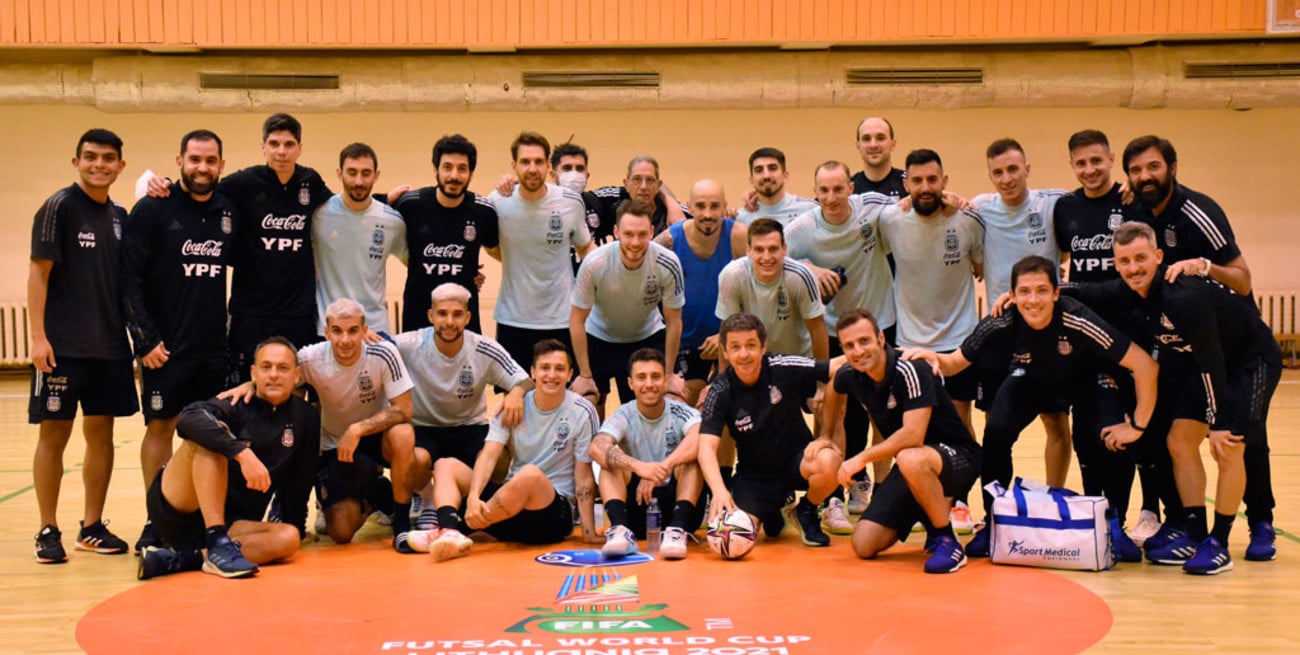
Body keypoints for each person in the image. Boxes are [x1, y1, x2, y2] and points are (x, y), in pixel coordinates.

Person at [903, 256, 1158, 560]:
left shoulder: (1079, 319)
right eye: (1024, 292)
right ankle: (994, 521)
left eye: (1041, 291)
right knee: (996, 432)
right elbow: (956, 362)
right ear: (1012, 295)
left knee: (1108, 437)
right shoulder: (1003, 319)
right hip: (1032, 378)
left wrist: (1138, 426)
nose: (1033, 300)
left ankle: (1113, 524)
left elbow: (1145, 365)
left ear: (1056, 293)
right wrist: (932, 358)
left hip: (1086, 380)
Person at [1087, 222, 1281, 572]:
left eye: (1141, 258)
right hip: (1208, 366)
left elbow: (1212, 361)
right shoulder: (1128, 291)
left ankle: (1219, 543)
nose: (1134, 268)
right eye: (1125, 261)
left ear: (1159, 256)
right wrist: (1035, 290)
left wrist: (1218, 423)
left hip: (1250, 362)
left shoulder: (1182, 296)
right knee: (1179, 441)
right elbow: (1086, 290)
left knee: (1229, 444)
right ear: (1116, 264)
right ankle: (1195, 532)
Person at [1121, 135, 1273, 557]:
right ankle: (1188, 525)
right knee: (1176, 435)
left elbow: (1242, 280)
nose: (1145, 176)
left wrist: (1206, 267)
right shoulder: (1134, 211)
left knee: (1241, 437)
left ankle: (1260, 521)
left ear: (1172, 166)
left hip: (1235, 346)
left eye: (1153, 167)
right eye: (1135, 171)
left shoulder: (1197, 211)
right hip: (1182, 345)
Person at [1053, 129, 1178, 548]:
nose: (1089, 169)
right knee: (1091, 426)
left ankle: (1150, 511)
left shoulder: (1133, 203)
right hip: (1086, 332)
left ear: (1110, 159)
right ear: (1072, 166)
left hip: (1133, 328)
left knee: (1142, 421)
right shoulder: (1065, 208)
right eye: (1081, 163)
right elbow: (1061, 261)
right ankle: (1101, 512)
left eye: (1096, 160)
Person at [141, 114, 333, 372]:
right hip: (250, 313)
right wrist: (160, 182)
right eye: (274, 144)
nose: (281, 151)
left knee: (295, 388)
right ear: (263, 147)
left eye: (289, 145)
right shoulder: (244, 183)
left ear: (300, 148)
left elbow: (341, 209)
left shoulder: (311, 181)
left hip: (298, 312)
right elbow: (199, 186)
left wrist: (385, 199)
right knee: (246, 391)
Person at [122, 129, 237, 553]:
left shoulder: (228, 209)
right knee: (161, 428)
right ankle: (157, 520)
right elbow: (128, 280)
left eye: (210, 161)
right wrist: (144, 341)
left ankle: (204, 520)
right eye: (195, 159)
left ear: (221, 166)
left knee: (207, 434)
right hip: (164, 350)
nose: (202, 168)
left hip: (212, 349)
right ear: (179, 161)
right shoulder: (154, 208)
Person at [229, 299, 419, 551]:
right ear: (327, 331)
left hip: (374, 437)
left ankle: (402, 526)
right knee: (340, 532)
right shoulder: (309, 358)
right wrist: (250, 385)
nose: (345, 340)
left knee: (404, 434)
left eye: (353, 330)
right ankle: (378, 494)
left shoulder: (383, 352)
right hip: (332, 443)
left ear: (364, 330)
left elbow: (405, 409)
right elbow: (279, 376)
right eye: (337, 331)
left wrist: (358, 429)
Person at [28, 129, 139, 563]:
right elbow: (38, 273)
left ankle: (91, 526)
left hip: (109, 347)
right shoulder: (58, 207)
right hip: (63, 348)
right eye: (90, 157)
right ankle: (46, 528)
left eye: (108, 158)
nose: (99, 164)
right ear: (76, 162)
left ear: (120, 166)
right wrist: (38, 336)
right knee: (54, 436)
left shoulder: (120, 215)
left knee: (102, 434)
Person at [136, 337, 319, 580]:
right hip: (179, 509)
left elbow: (301, 480)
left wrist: (295, 521)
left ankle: (180, 560)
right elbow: (188, 419)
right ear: (253, 373)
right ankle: (216, 540)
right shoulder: (236, 402)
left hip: (234, 523)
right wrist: (242, 454)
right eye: (266, 367)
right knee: (210, 437)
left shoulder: (305, 418)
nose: (274, 374)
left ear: (297, 376)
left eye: (282, 368)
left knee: (289, 537)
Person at [823, 310, 983, 573]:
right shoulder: (852, 374)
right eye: (849, 346)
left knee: (910, 456)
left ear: (880, 338)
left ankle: (945, 538)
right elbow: (833, 387)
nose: (858, 351)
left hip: (958, 457)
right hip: (914, 467)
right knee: (864, 544)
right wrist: (826, 435)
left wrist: (860, 458)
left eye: (864, 341)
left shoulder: (910, 367)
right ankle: (926, 508)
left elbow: (913, 435)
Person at [784, 160, 893, 530]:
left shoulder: (872, 209)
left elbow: (909, 206)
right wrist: (808, 269)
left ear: (851, 187)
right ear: (815, 192)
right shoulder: (801, 228)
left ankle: (881, 492)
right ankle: (830, 497)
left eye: (838, 188)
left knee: (884, 415)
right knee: (832, 416)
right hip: (829, 333)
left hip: (877, 328)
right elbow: (771, 253)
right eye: (824, 190)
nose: (831, 197)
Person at [425, 339, 599, 562]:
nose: (552, 375)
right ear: (533, 373)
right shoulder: (513, 406)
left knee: (530, 474)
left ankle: (463, 528)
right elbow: (488, 455)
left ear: (570, 374)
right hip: (507, 509)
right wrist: (474, 497)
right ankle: (448, 532)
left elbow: (584, 475)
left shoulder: (583, 411)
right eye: (545, 368)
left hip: (550, 516)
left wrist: (588, 531)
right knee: (445, 465)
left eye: (559, 369)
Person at [392, 283, 530, 533]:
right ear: (431, 316)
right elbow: (379, 346)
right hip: (425, 427)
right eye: (442, 314)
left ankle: (478, 496)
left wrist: (517, 392)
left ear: (467, 317)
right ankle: (426, 500)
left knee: (498, 456)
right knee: (416, 458)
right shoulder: (410, 344)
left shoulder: (483, 348)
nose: (449, 321)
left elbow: (524, 379)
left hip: (469, 426)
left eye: (457, 314)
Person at [974, 138, 1072, 489]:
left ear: (1027, 169)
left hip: (1047, 327)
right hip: (1001, 329)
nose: (1006, 178)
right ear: (990, 175)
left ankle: (1055, 497)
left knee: (1056, 421)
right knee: (995, 426)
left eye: (1013, 169)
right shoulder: (981, 207)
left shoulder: (1054, 203)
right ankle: (996, 507)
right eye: (997, 172)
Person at [698, 313, 842, 547]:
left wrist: (891, 354)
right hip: (756, 477)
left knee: (829, 461)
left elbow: (836, 365)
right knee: (739, 536)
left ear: (763, 346)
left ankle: (805, 510)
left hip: (799, 461)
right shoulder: (720, 390)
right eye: (736, 347)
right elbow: (705, 448)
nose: (744, 354)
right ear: (725, 352)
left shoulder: (782, 366)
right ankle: (772, 511)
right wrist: (719, 491)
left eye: (751, 345)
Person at [487, 131, 594, 374]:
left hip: (562, 319)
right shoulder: (496, 202)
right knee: (515, 399)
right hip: (513, 319)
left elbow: (586, 248)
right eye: (525, 162)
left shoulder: (570, 202)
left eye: (538, 162)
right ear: (514, 166)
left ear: (548, 165)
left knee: (562, 395)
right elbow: (492, 248)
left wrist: (601, 286)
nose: (532, 168)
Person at [570, 200, 686, 417]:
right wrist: (585, 375)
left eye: (642, 234)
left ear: (652, 232)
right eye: (628, 234)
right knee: (585, 405)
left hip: (645, 337)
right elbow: (576, 320)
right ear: (616, 232)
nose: (635, 242)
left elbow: (674, 321)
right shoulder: (595, 262)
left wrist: (669, 374)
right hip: (599, 338)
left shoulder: (667, 262)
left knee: (664, 402)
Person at [590, 348, 704, 560]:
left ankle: (677, 530)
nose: (649, 384)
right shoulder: (625, 413)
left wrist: (662, 468)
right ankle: (620, 530)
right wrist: (639, 467)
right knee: (609, 459)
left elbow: (700, 436)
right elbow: (596, 447)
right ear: (631, 383)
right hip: (638, 505)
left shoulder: (680, 411)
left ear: (666, 380)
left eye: (655, 377)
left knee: (692, 460)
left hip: (677, 505)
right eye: (641, 377)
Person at [653, 179, 749, 405]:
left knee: (722, 404)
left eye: (715, 206)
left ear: (724, 207)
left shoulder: (738, 236)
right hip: (686, 343)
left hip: (729, 339)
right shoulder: (669, 241)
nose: (708, 213)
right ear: (690, 207)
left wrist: (727, 334)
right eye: (701, 206)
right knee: (682, 401)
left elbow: (755, 295)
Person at [394, 134, 499, 335]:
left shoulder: (483, 211)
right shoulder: (410, 205)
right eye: (447, 167)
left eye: (462, 169)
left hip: (464, 321)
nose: (454, 176)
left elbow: (499, 252)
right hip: (417, 318)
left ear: (471, 173)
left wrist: (469, 271)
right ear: (436, 170)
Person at [312, 143, 406, 335]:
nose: (359, 181)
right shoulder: (318, 215)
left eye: (365, 173)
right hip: (329, 328)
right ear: (339, 173)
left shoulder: (392, 221)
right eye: (352, 172)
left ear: (376, 175)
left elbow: (418, 264)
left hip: (375, 328)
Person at [716, 219, 828, 360]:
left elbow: (817, 328)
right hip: (753, 361)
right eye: (759, 250)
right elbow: (727, 333)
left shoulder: (800, 276)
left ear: (784, 250)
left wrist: (822, 377)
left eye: (773, 249)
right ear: (748, 251)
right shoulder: (732, 275)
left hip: (796, 361)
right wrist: (724, 379)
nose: (766, 257)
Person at [589, 155, 689, 236]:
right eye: (637, 179)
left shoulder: (679, 215)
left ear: (658, 185)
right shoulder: (613, 200)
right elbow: (582, 197)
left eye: (650, 180)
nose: (643, 187)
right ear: (626, 183)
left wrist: (671, 203)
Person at [734, 147, 818, 226]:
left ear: (785, 176)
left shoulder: (810, 210)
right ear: (751, 180)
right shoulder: (740, 219)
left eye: (773, 168)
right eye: (759, 170)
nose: (766, 176)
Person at [851, 116, 908, 198]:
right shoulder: (848, 189)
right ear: (858, 146)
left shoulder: (910, 184)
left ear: (893, 144)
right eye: (866, 139)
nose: (873, 145)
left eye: (880, 138)